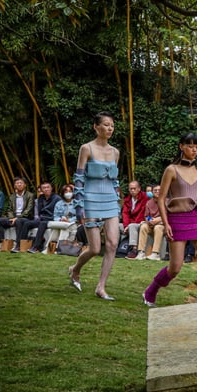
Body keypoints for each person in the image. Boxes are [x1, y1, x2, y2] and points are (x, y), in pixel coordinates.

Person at [142, 133, 197, 306]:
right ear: (181, 146)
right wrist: (165, 222)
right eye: (190, 146)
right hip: (178, 219)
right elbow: (161, 198)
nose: (194, 150)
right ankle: (150, 291)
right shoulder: (171, 169)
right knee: (175, 267)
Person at [68, 112, 121, 301]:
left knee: (113, 243)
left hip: (110, 200)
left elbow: (115, 180)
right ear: (96, 127)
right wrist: (78, 207)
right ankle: (74, 270)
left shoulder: (115, 152)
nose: (109, 128)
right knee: (95, 248)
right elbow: (79, 178)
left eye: (112, 126)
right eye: (105, 125)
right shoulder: (86, 148)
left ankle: (101, 287)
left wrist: (117, 199)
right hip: (90, 199)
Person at [0, 176, 35, 252]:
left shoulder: (30, 195)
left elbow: (28, 210)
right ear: (14, 185)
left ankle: (18, 245)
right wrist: (12, 218)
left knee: (19, 221)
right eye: (17, 183)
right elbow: (9, 209)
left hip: (25, 218)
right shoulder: (12, 196)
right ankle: (1, 243)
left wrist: (17, 218)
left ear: (25, 185)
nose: (19, 184)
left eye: (21, 183)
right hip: (13, 218)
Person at [24, 182, 59, 253]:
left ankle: (35, 247)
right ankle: (21, 245)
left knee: (42, 224)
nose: (46, 189)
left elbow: (57, 213)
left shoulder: (57, 198)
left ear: (51, 188)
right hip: (42, 219)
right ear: (41, 190)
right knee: (27, 223)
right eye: (44, 188)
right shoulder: (40, 198)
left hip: (51, 219)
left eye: (48, 187)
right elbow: (39, 212)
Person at [135, 185, 165, 260]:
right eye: (155, 190)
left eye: (159, 190)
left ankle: (155, 253)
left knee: (158, 227)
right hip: (151, 224)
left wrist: (159, 219)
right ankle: (140, 252)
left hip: (162, 225)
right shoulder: (149, 202)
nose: (157, 192)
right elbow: (146, 215)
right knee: (143, 226)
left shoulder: (166, 201)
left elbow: (169, 215)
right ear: (152, 192)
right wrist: (149, 220)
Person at [120, 180, 147, 259]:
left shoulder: (144, 197)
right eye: (131, 189)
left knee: (132, 226)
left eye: (134, 188)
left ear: (139, 189)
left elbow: (142, 214)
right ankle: (115, 248)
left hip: (140, 222)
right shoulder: (127, 199)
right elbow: (125, 214)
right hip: (129, 224)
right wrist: (126, 226)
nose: (132, 190)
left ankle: (134, 250)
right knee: (116, 226)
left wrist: (129, 226)